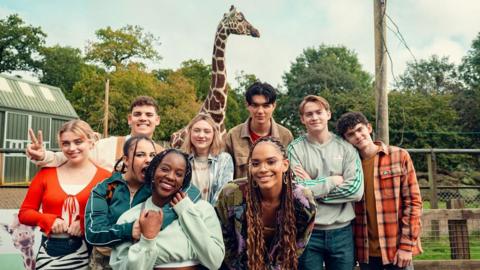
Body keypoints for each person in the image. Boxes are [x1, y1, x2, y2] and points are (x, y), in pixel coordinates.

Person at [85, 136, 201, 269]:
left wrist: (156, 222)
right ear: (126, 160)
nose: (148, 160)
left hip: (143, 260)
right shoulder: (108, 188)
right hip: (104, 261)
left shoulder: (156, 186)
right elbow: (93, 232)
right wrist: (129, 229)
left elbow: (193, 192)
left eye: (152, 155)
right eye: (140, 155)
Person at [18, 119, 112, 270]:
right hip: (51, 253)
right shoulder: (46, 173)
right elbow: (25, 213)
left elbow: (113, 215)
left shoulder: (106, 178)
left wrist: (84, 223)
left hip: (92, 254)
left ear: (91, 142)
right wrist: (48, 220)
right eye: (65, 143)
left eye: (78, 142)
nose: (72, 148)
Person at [110, 149, 224, 270]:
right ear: (153, 171)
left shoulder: (203, 209)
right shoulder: (130, 218)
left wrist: (186, 212)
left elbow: (214, 261)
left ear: (183, 182)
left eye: (179, 174)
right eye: (164, 169)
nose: (170, 177)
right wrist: (148, 239)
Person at [336, 111, 423, 270]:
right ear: (346, 140)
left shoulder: (399, 156)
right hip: (365, 253)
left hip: (396, 249)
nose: (358, 136)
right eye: (351, 134)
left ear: (368, 128)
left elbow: (414, 203)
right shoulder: (348, 168)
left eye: (360, 129)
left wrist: (406, 246)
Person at [216, 136, 317, 270]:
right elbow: (225, 240)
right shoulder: (232, 194)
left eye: (271, 162)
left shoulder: (303, 200)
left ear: (285, 165)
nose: (263, 169)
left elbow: (298, 245)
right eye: (256, 163)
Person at [287, 95, 364, 270]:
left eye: (319, 112)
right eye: (309, 114)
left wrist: (312, 186)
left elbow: (355, 191)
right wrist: (331, 181)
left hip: (342, 232)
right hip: (307, 232)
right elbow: (296, 192)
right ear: (302, 119)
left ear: (328, 114)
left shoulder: (346, 148)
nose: (314, 117)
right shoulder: (294, 149)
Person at [26, 96, 163, 171]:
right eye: (137, 114)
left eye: (149, 115)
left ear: (157, 120)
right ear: (129, 119)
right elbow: (69, 156)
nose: (143, 118)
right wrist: (42, 155)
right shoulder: (108, 145)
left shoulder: (163, 155)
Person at [225, 82, 293, 179]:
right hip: (242, 193)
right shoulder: (233, 136)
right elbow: (226, 175)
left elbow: (289, 174)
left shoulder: (285, 136)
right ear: (247, 105)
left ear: (274, 106)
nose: (260, 111)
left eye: (266, 106)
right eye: (255, 105)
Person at [181, 113, 234, 204]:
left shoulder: (224, 160)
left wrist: (207, 214)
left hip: (212, 215)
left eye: (207, 131)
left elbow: (222, 194)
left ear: (214, 134)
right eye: (196, 130)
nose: (201, 135)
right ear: (190, 133)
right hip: (183, 213)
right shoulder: (180, 158)